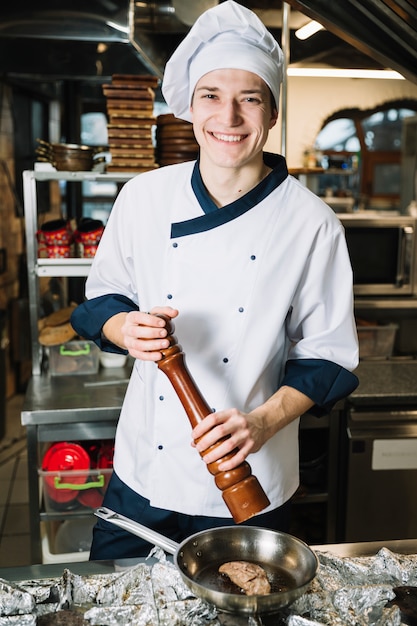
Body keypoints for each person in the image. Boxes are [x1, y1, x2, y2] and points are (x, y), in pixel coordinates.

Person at [71, 0, 359, 560]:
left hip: (252, 474)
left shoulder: (312, 222)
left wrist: (260, 422)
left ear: (272, 114)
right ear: (188, 106)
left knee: (247, 610)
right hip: (145, 474)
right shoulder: (143, 197)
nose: (228, 119)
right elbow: (102, 299)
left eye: (249, 99)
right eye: (212, 96)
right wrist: (123, 327)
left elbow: (326, 356)